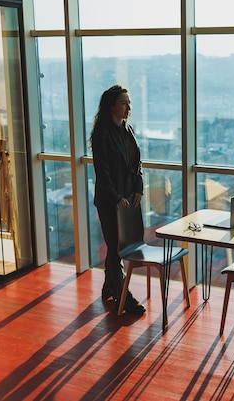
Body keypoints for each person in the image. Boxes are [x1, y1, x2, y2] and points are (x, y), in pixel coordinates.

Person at [90, 84, 146, 315]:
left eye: (129, 103)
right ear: (111, 106)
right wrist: (115, 198)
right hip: (111, 202)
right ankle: (124, 296)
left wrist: (139, 189)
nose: (128, 107)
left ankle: (109, 286)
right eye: (124, 103)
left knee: (120, 246)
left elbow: (137, 165)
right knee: (116, 248)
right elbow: (101, 172)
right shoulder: (102, 134)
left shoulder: (128, 130)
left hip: (128, 201)